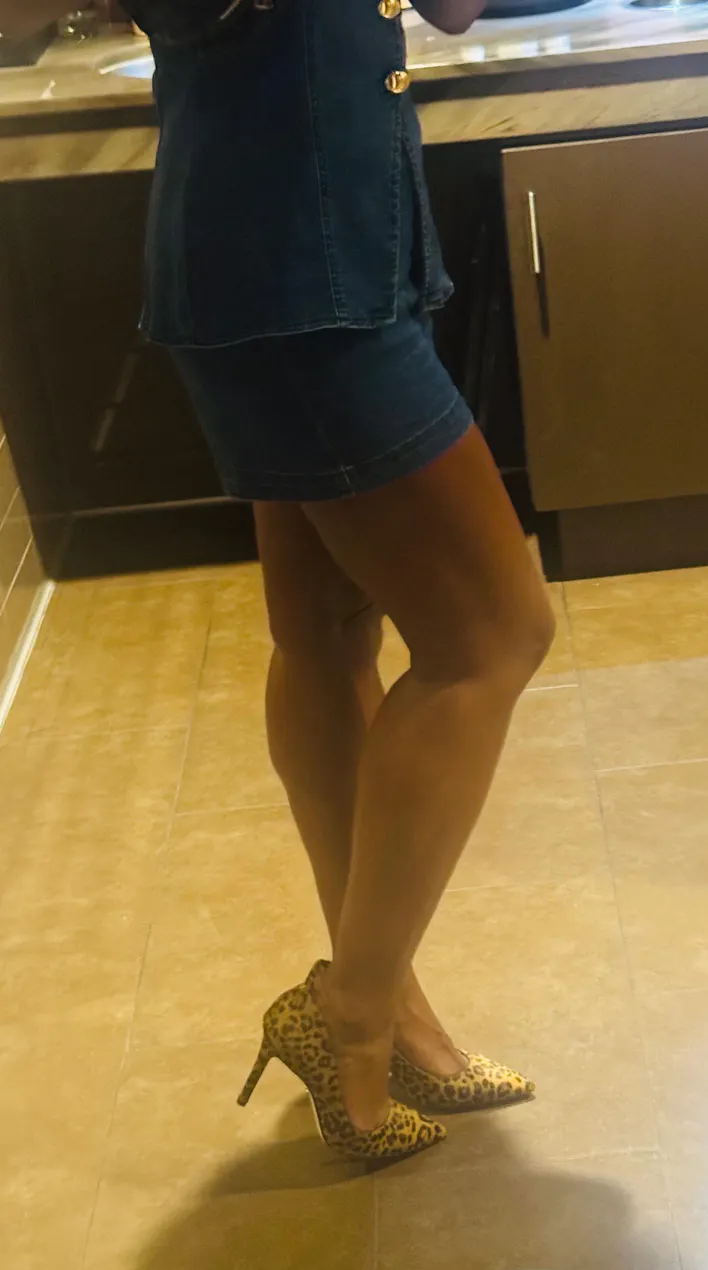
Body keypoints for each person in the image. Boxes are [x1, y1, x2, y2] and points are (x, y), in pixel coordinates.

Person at [39, 0, 554, 1162]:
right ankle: (350, 1016)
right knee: (493, 638)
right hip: (290, 275)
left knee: (324, 632)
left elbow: (454, 10)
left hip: (332, 250)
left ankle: (391, 1012)